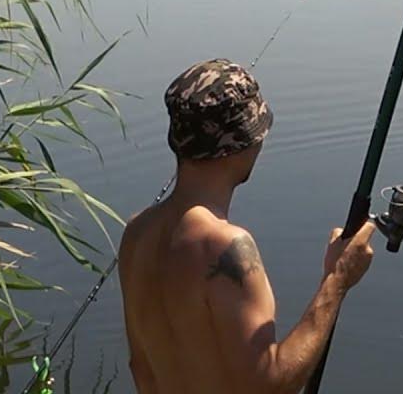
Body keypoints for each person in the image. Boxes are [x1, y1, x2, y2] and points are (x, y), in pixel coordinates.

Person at [118, 59, 377, 393]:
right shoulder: (226, 246)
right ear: (244, 142)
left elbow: (141, 368)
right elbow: (271, 383)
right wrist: (337, 279)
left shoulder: (136, 234)